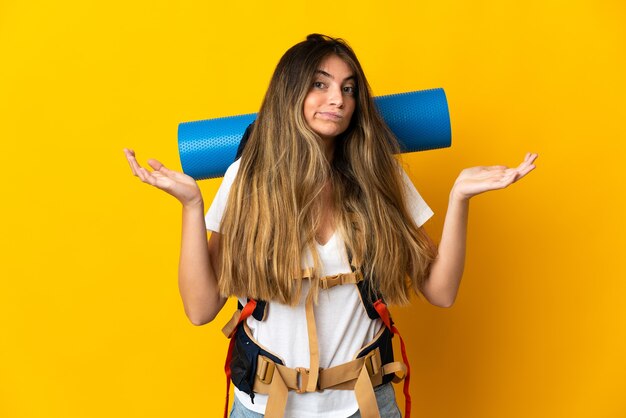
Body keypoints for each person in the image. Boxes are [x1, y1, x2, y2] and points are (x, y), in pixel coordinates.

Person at [124, 34, 537, 418]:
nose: (336, 99)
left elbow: (441, 291)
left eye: (348, 88)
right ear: (291, 92)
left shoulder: (381, 176)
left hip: (365, 405)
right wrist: (192, 206)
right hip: (264, 408)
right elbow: (200, 309)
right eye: (320, 84)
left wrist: (459, 197)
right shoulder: (247, 178)